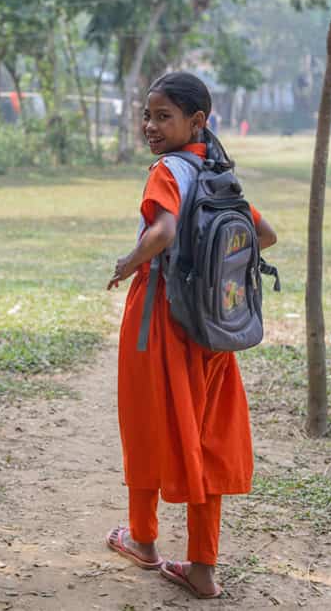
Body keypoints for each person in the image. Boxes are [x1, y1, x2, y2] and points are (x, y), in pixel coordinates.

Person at [105, 72, 277, 599]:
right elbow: (264, 236)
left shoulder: (167, 170)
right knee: (206, 434)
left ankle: (143, 539)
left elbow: (162, 232)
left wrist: (126, 263)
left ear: (196, 121)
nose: (150, 126)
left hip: (159, 317)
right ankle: (203, 565)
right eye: (148, 115)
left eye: (163, 116)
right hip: (214, 324)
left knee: (143, 422)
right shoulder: (218, 171)